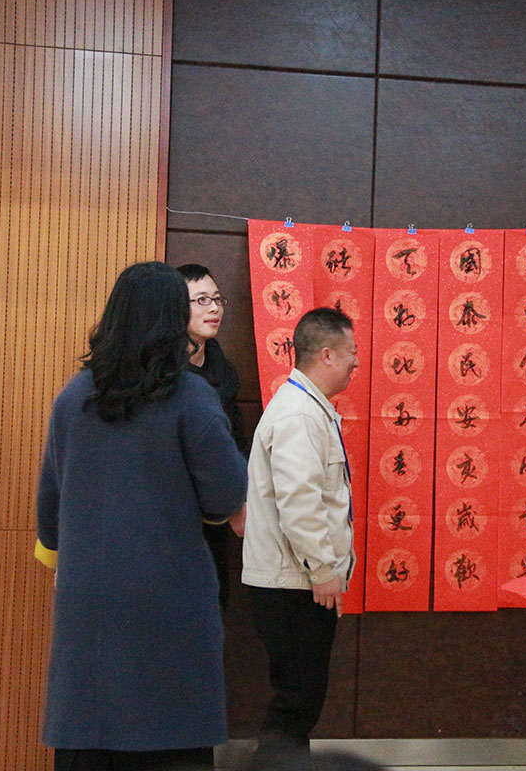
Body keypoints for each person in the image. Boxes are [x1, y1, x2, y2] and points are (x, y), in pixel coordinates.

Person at [35, 262, 248, 771]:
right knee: (168, 738)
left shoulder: (74, 396)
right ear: (173, 320)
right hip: (169, 596)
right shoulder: (191, 396)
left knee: (88, 738)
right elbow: (226, 494)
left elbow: (50, 506)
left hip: (87, 599)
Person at [241, 307, 359, 769]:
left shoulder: (307, 407)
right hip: (293, 584)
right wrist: (323, 569)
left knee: (299, 697)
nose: (356, 362)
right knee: (297, 699)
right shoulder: (298, 414)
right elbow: (299, 502)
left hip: (295, 580)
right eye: (351, 352)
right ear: (326, 355)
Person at [177, 262, 248, 606]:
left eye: (217, 299)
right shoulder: (164, 377)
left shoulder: (224, 371)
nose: (214, 309)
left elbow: (235, 440)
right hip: (176, 520)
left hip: (217, 522)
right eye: (202, 300)